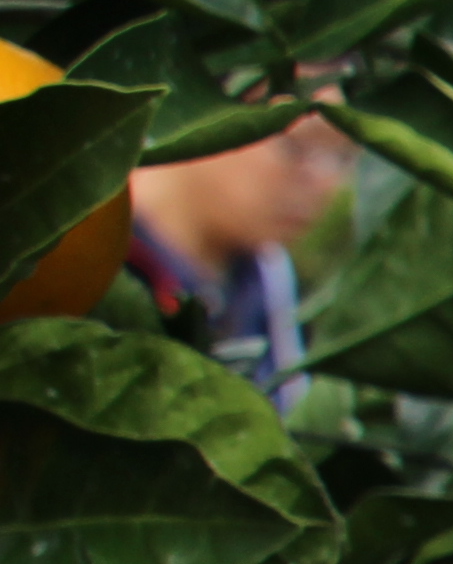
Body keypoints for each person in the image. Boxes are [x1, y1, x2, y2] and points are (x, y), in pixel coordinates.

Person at [126, 117, 350, 397]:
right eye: (295, 145)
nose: (325, 183)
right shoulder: (98, 261)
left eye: (344, 156)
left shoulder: (270, 286)